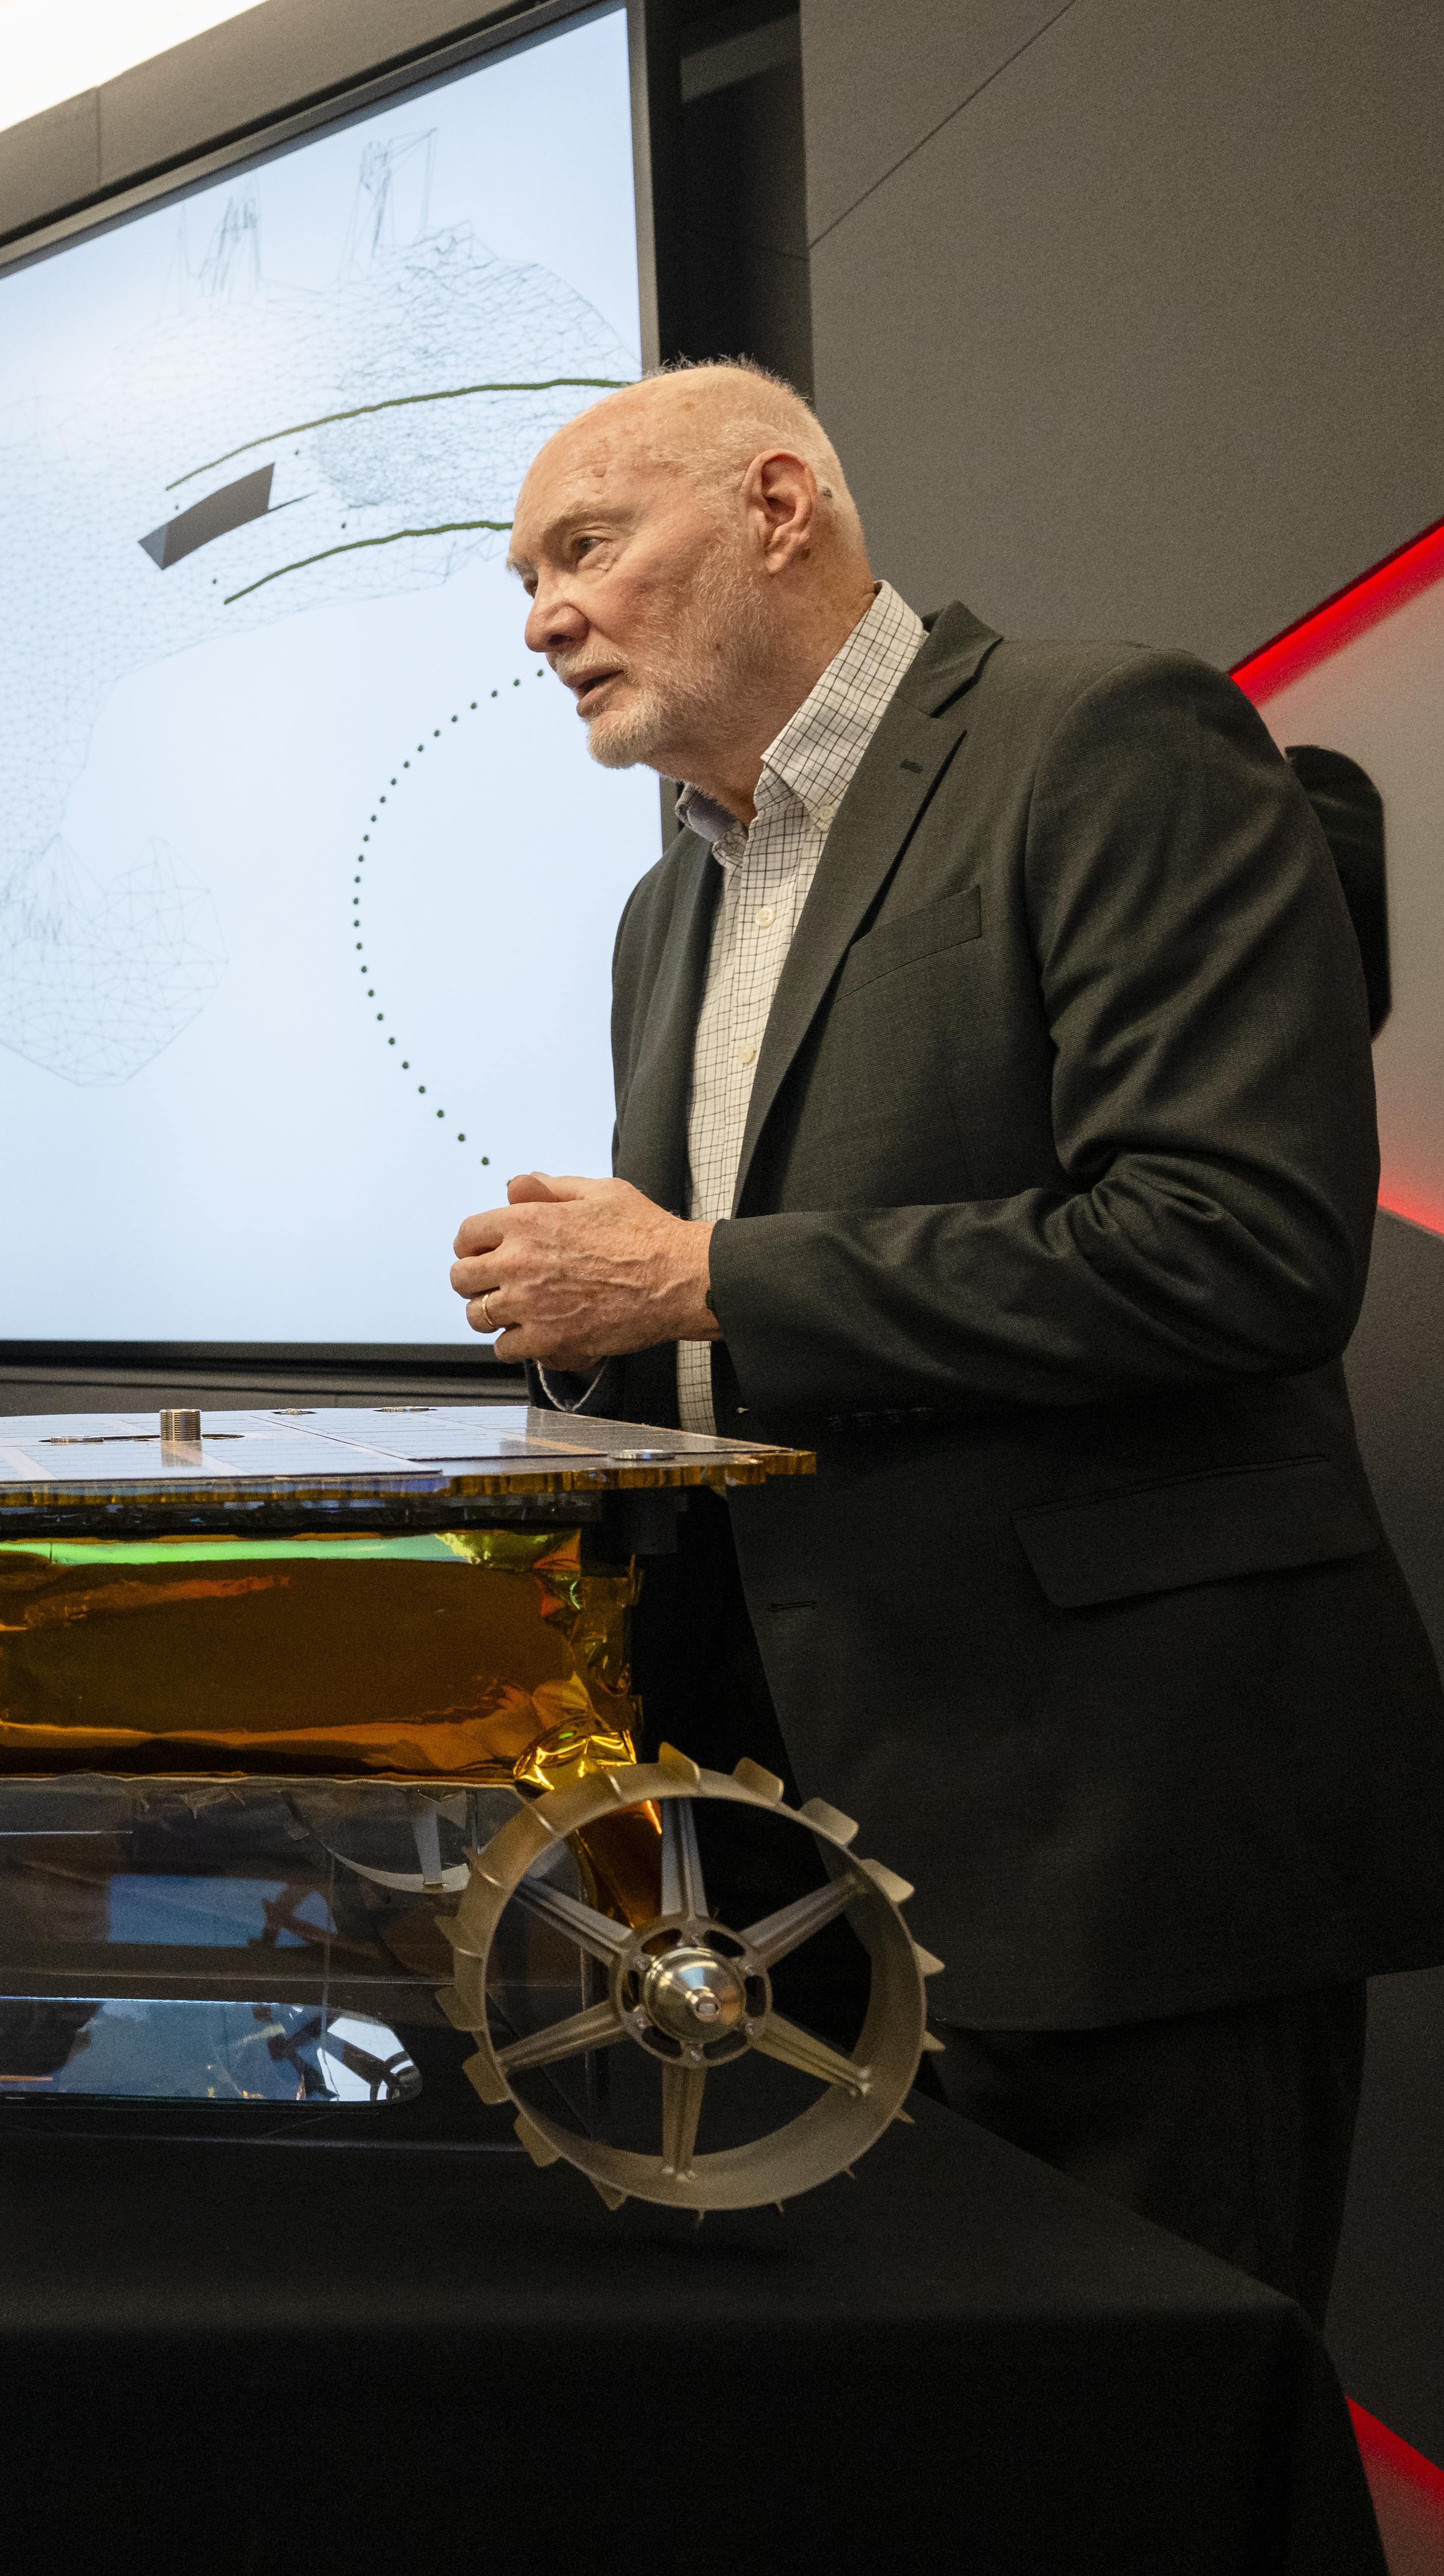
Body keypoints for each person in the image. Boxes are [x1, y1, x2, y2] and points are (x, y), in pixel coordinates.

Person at [448, 360, 1444, 2319]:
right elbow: (717, 1290)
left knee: (1147, 2434)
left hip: (1116, 1832)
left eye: (584, 548)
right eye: (524, 578)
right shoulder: (665, 905)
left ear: (775, 507)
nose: (542, 616)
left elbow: (1237, 1245)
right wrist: (585, 1326)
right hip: (786, 1866)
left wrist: (701, 1279)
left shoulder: (1108, 741)